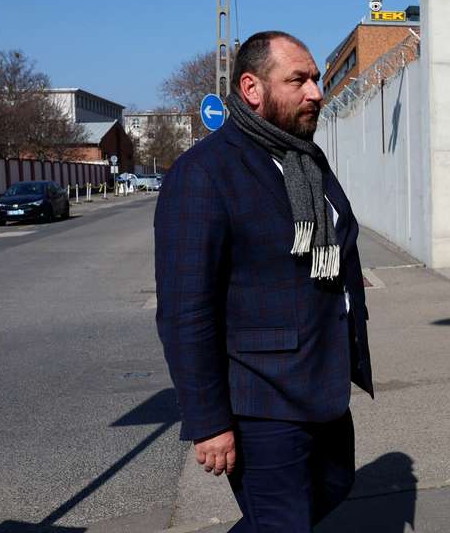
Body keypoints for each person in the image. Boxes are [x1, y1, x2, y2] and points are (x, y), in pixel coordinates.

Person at [155, 30, 374, 532]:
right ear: (252, 88)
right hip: (260, 397)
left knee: (334, 485)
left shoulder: (304, 158)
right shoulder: (204, 173)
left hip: (321, 380)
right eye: (298, 80)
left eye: (316, 79)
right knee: (282, 522)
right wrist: (209, 421)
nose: (315, 92)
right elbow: (186, 311)